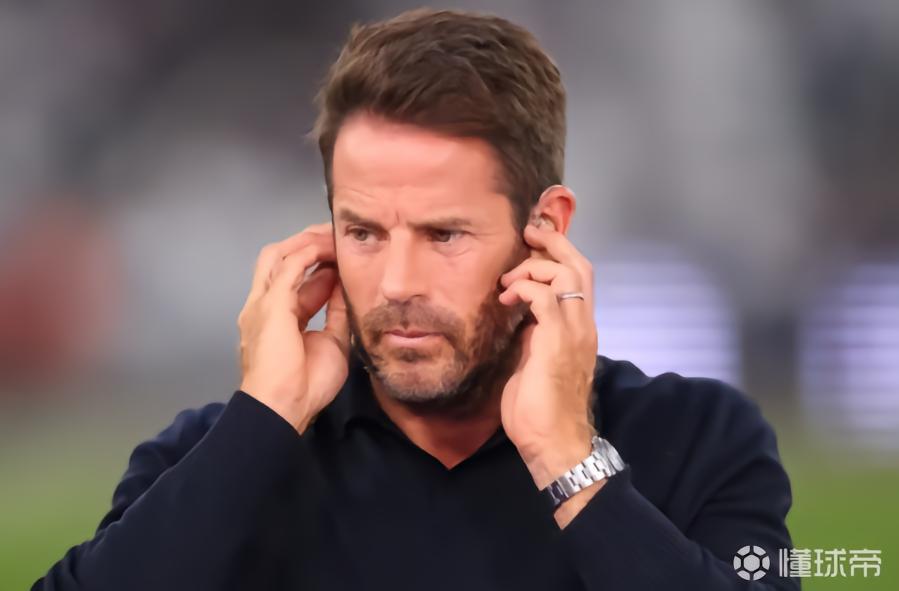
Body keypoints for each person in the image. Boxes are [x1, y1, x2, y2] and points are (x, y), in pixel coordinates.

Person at [33, 8, 797, 591]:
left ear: (546, 229)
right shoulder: (217, 454)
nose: (397, 282)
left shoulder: (700, 437)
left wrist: (564, 457)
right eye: (363, 232)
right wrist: (263, 416)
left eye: (443, 234)